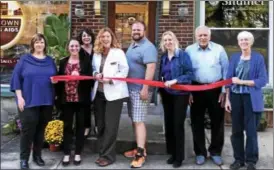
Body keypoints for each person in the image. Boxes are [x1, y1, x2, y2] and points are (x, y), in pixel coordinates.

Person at [10, 33, 57, 169]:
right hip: (28, 101)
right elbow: (16, 79)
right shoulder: (25, 60)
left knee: (40, 130)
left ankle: (37, 156)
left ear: (44, 45)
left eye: (41, 42)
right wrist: (19, 97)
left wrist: (54, 82)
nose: (39, 44)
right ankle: (24, 159)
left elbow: (55, 78)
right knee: (27, 131)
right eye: (36, 42)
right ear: (32, 45)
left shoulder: (50, 60)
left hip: (46, 101)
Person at [185, 25, 229, 166]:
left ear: (210, 36)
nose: (203, 38)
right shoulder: (189, 50)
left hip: (216, 89)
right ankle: (200, 153)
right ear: (196, 36)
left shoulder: (219, 49)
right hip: (196, 88)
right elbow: (186, 71)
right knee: (196, 122)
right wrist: (188, 91)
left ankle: (215, 152)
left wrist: (224, 91)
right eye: (200, 35)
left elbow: (226, 71)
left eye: (205, 35)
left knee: (218, 121)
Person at [225, 31, 268, 170]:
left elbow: (262, 80)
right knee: (236, 131)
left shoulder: (258, 58)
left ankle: (251, 160)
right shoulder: (234, 57)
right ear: (238, 42)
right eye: (241, 40)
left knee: (251, 131)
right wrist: (227, 99)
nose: (244, 42)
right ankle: (238, 159)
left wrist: (242, 82)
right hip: (235, 97)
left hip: (251, 98)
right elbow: (228, 80)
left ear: (251, 42)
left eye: (246, 40)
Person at [91, 27, 129, 167]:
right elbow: (93, 68)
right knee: (100, 126)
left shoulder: (118, 52)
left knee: (111, 126)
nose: (105, 39)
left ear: (112, 38)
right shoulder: (96, 53)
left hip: (114, 94)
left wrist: (111, 80)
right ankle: (102, 153)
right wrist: (96, 74)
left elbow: (124, 70)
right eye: (102, 37)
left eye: (108, 36)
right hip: (99, 94)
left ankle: (108, 156)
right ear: (99, 39)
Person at [124, 21, 158, 168]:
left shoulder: (148, 47)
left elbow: (151, 68)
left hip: (140, 89)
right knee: (134, 120)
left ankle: (140, 154)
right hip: (130, 89)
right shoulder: (133, 45)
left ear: (144, 30)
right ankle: (140, 147)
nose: (136, 31)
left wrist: (145, 88)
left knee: (139, 121)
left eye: (138, 29)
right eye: (134, 29)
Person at [158, 31, 194, 168]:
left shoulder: (183, 55)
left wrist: (175, 80)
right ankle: (172, 154)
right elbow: (161, 74)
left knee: (178, 125)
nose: (168, 42)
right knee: (169, 125)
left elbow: (190, 74)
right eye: (165, 40)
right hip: (167, 94)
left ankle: (179, 157)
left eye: (170, 39)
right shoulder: (163, 57)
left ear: (175, 40)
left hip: (180, 94)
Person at [55, 39, 93, 166]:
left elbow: (90, 82)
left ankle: (77, 153)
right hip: (66, 100)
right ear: (68, 48)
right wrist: (56, 83)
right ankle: (66, 153)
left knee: (80, 126)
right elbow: (60, 81)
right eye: (72, 46)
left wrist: (80, 75)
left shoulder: (86, 62)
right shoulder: (63, 62)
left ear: (80, 47)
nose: (74, 48)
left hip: (81, 100)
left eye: (76, 46)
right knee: (67, 127)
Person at [77, 28, 95, 138]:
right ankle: (87, 126)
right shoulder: (78, 49)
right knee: (86, 105)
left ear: (92, 37)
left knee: (98, 104)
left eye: (88, 35)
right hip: (83, 81)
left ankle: (98, 126)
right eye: (84, 36)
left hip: (97, 79)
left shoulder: (96, 48)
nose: (86, 38)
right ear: (81, 38)